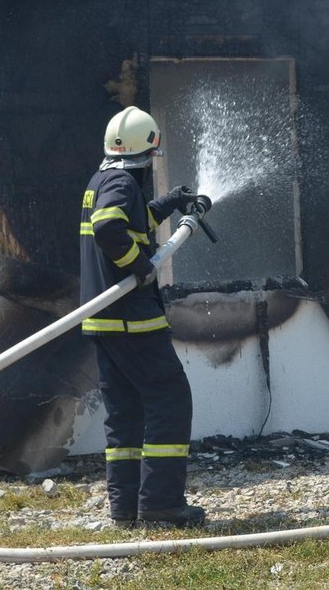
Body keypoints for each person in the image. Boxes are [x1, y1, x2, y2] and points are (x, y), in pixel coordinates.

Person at [79, 105, 205, 529]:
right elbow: (109, 228)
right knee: (170, 400)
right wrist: (140, 265)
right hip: (131, 320)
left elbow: (131, 218)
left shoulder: (101, 179)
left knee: (125, 416)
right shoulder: (119, 181)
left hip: (104, 322)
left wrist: (170, 203)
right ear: (147, 151)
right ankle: (161, 506)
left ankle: (126, 510)